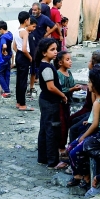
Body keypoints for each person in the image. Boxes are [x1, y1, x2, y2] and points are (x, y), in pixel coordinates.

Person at [65, 66, 100, 188]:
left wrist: (83, 137)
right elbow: (98, 117)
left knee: (73, 151)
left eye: (90, 82)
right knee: (70, 148)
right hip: (97, 128)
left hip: (96, 132)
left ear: (96, 85)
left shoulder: (98, 102)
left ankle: (82, 175)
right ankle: (79, 175)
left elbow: (96, 124)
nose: (88, 84)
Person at [35, 37, 65, 167]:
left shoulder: (46, 65)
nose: (55, 52)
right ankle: (52, 161)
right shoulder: (47, 67)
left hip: (46, 100)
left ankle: (43, 158)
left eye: (56, 49)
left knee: (44, 129)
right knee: (51, 130)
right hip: (50, 102)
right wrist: (63, 95)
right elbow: (51, 87)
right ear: (44, 52)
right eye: (52, 50)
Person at [14, 12, 34, 111]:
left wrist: (19, 54)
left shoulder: (16, 30)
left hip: (18, 55)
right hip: (24, 55)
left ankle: (18, 101)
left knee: (19, 80)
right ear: (26, 20)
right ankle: (22, 104)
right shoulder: (24, 32)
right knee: (23, 81)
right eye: (29, 20)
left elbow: (14, 46)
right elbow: (25, 49)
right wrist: (30, 58)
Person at [0, 21, 13, 98]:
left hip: (2, 58)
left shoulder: (3, 37)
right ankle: (6, 90)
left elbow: (4, 46)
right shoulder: (10, 34)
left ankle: (6, 90)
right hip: (8, 57)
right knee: (7, 74)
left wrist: (3, 51)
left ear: (1, 29)